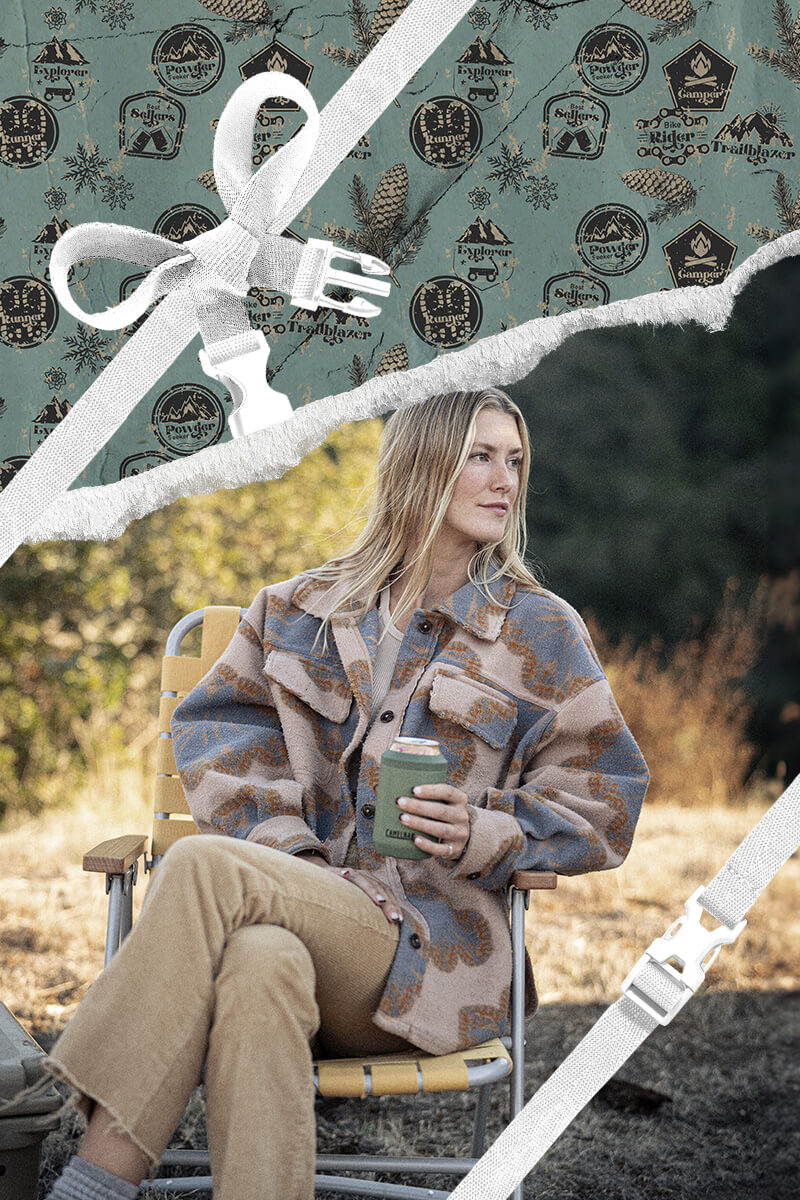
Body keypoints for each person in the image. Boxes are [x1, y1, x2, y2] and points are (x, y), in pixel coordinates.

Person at [41, 387, 649, 1200]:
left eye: (515, 460)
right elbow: (220, 742)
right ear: (419, 465)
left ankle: (83, 1172)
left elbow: (606, 801)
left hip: (429, 959)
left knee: (199, 869)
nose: (505, 479)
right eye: (480, 456)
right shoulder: (295, 613)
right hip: (306, 937)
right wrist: (296, 859)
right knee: (260, 962)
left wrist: (483, 828)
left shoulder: (540, 632)